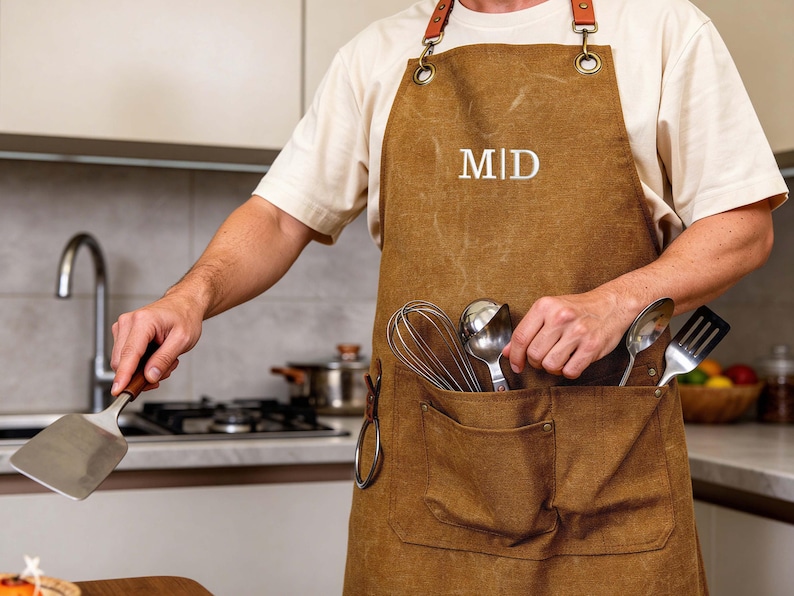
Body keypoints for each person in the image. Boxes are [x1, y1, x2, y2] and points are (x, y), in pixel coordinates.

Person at [110, 0, 787, 593]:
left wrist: (618, 300)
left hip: (608, 485)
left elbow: (744, 227)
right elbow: (282, 217)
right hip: (424, 484)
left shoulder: (663, 28)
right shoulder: (378, 54)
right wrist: (188, 296)